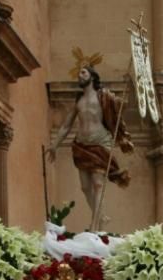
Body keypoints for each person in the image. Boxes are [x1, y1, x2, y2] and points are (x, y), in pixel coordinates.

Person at [45, 63, 134, 228]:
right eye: (79, 73)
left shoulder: (103, 96)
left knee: (98, 184)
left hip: (100, 141)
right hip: (81, 144)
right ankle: (101, 216)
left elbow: (117, 109)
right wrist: (54, 145)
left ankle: (94, 226)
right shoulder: (79, 100)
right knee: (85, 187)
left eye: (83, 73)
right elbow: (66, 125)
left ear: (92, 76)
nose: (80, 75)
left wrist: (125, 85)